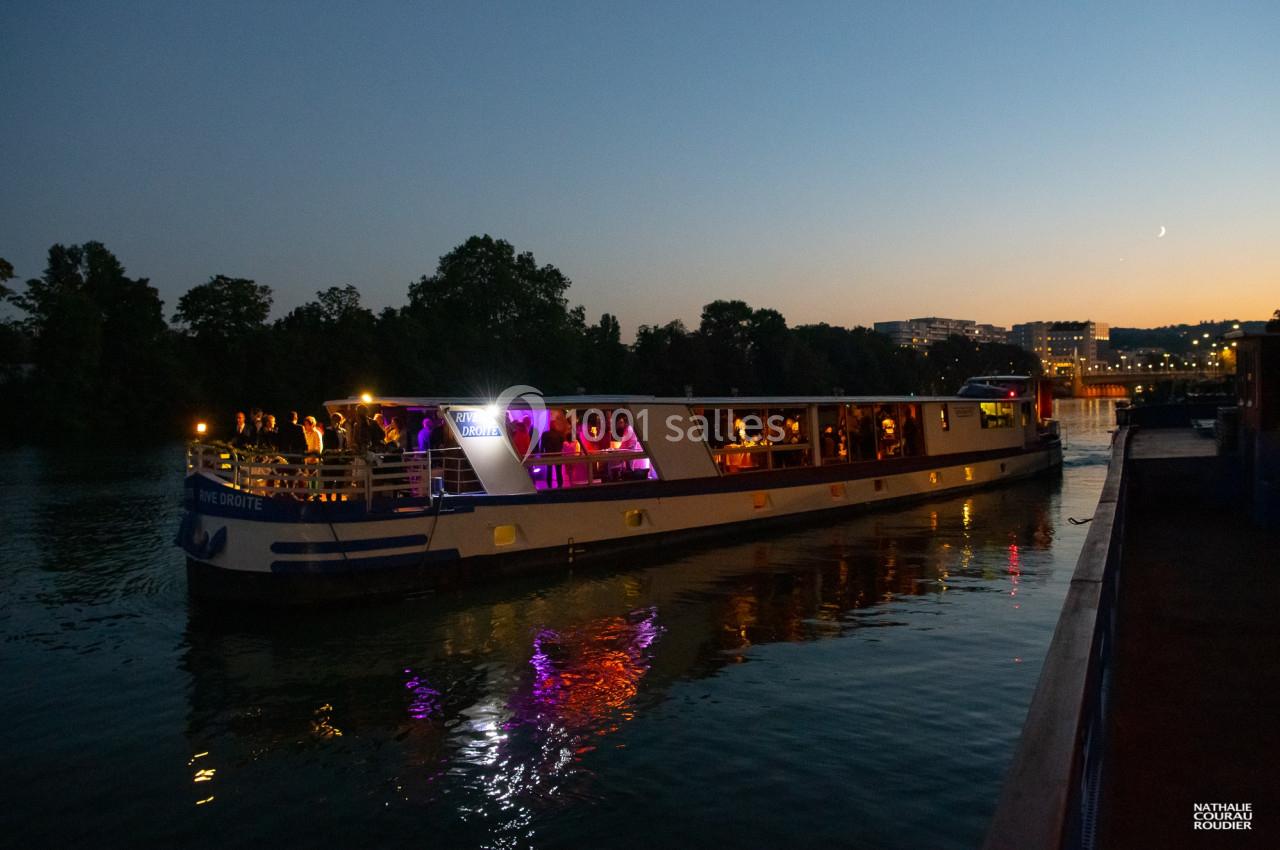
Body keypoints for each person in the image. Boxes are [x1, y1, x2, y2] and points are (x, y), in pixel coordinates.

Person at [539, 414, 568, 488]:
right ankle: (560, 485)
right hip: (558, 455)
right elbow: (563, 445)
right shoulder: (560, 435)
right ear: (555, 426)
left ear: (549, 426)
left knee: (549, 471)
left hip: (549, 455)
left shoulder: (545, 434)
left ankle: (549, 486)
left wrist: (542, 455)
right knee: (559, 471)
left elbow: (542, 445)